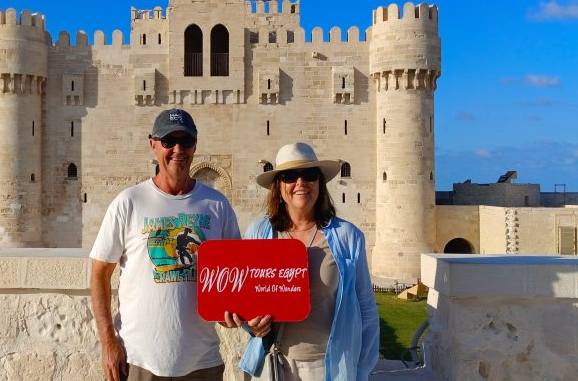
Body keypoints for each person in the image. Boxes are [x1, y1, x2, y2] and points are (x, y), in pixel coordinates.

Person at [90, 108, 244, 381]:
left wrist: (233, 313)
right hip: (137, 361)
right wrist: (108, 342)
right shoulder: (129, 202)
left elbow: (233, 278)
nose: (177, 149)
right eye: (168, 141)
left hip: (202, 362)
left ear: (195, 146)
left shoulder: (217, 205)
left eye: (185, 141)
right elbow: (100, 271)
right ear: (153, 144)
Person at [239, 142, 379, 381]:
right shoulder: (260, 233)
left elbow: (366, 308)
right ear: (279, 187)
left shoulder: (347, 236)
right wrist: (249, 323)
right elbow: (248, 299)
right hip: (273, 362)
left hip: (329, 366)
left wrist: (362, 369)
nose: (300, 183)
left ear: (320, 184)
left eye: (309, 175)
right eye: (290, 176)